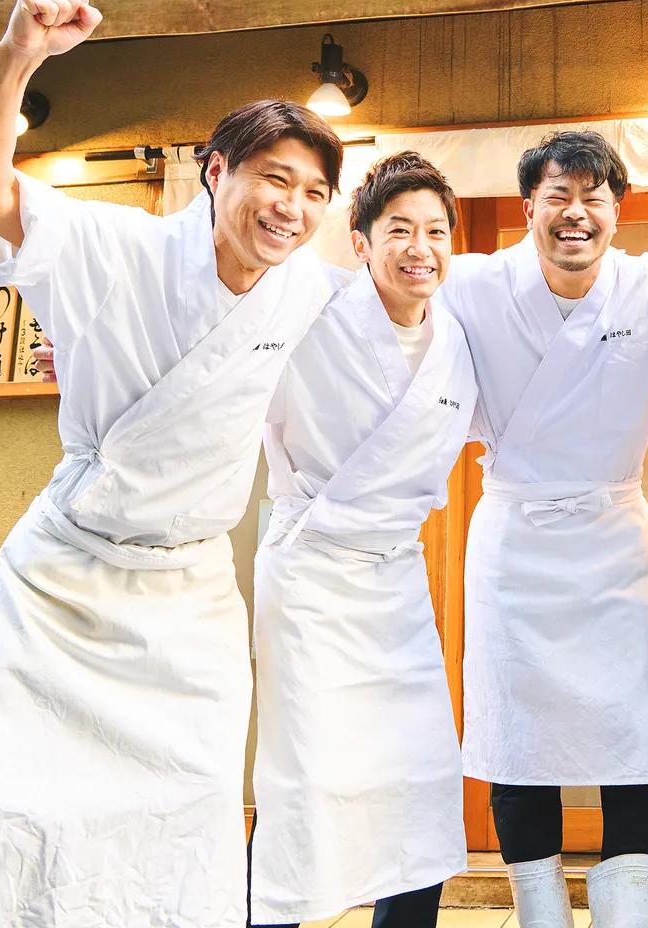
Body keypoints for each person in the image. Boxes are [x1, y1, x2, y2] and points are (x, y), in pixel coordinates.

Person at [0, 0, 341, 928]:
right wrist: (17, 53)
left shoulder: (309, 291)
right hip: (61, 585)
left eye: (315, 193)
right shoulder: (112, 245)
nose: (294, 208)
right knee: (1, 803)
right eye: (275, 177)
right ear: (214, 172)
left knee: (184, 822)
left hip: (188, 603)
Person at [436, 131, 648, 928]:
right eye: (558, 195)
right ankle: (539, 914)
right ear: (529, 209)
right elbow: (378, 315)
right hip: (516, 540)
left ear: (617, 210)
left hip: (614, 539)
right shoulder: (474, 284)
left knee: (635, 733)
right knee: (520, 736)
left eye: (593, 197)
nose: (575, 213)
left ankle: (631, 915)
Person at [248, 153, 477, 928]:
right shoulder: (306, 311)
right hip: (311, 569)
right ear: (360, 241)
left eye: (437, 231)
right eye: (400, 230)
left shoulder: (458, 338)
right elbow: (210, 353)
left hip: (394, 580)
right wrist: (89, 364)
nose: (422, 248)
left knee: (418, 774)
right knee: (305, 776)